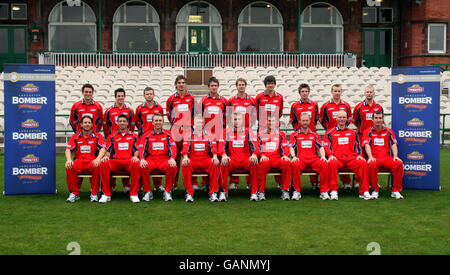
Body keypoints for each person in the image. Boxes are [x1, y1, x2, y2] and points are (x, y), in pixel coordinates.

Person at [324, 111, 372, 200]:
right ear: (336, 118)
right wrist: (330, 155)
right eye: (340, 117)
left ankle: (364, 191)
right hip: (337, 159)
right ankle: (333, 190)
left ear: (347, 119)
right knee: (331, 162)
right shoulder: (330, 132)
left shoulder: (352, 132)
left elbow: (357, 145)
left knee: (363, 162)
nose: (342, 119)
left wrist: (359, 155)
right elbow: (326, 146)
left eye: (343, 117)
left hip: (350, 159)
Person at [69, 84, 104, 190]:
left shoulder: (98, 106)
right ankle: (76, 188)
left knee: (95, 163)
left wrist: (95, 132)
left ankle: (95, 188)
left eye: (90, 92)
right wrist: (78, 132)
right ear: (82, 93)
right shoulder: (76, 106)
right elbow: (72, 121)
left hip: (93, 139)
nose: (88, 94)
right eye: (86, 92)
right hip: (80, 138)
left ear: (92, 93)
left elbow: (100, 121)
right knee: (78, 161)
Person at [362, 111, 404, 199]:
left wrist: (395, 156)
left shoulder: (389, 131)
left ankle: (395, 190)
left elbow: (393, 144)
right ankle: (375, 190)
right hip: (374, 157)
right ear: (372, 119)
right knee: (371, 164)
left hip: (386, 157)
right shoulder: (367, 132)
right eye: (376, 118)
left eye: (380, 118)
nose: (378, 120)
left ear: (383, 119)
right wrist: (370, 157)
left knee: (398, 163)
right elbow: (367, 145)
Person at [99, 114, 141, 203]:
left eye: (124, 121)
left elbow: (136, 149)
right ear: (117, 123)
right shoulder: (112, 136)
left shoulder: (134, 135)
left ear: (128, 123)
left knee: (136, 163)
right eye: (120, 121)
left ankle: (134, 194)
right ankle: (106, 194)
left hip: (129, 160)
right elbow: (109, 150)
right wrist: (106, 157)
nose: (122, 123)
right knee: (103, 163)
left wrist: (136, 156)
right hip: (116, 161)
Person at [219, 112, 260, 201]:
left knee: (255, 162)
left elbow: (255, 145)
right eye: (235, 119)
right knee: (223, 162)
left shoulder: (248, 131)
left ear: (242, 121)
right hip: (232, 160)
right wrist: (224, 155)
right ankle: (223, 192)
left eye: (239, 119)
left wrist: (254, 154)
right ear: (231, 121)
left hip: (245, 160)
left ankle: (254, 192)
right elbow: (221, 146)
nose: (237, 121)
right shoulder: (226, 132)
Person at [65, 116, 106, 202]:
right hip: (79, 161)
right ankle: (74, 193)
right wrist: (69, 160)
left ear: (92, 125)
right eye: (85, 123)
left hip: (92, 160)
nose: (87, 124)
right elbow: (68, 149)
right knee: (69, 166)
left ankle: (94, 193)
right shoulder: (75, 137)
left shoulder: (98, 136)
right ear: (81, 124)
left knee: (97, 165)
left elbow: (103, 148)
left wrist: (98, 159)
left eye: (89, 123)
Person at [320, 84, 353, 189]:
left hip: (343, 134)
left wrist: (343, 129)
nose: (337, 93)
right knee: (330, 160)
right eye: (335, 91)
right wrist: (328, 129)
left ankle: (346, 182)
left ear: (341, 92)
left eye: (339, 91)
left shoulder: (346, 105)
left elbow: (349, 119)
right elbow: (321, 119)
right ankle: (330, 184)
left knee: (345, 156)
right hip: (330, 136)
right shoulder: (326, 105)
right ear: (331, 92)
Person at [289, 113, 330, 200]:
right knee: (295, 164)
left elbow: (320, 147)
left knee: (324, 164)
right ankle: (296, 191)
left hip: (313, 159)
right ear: (299, 121)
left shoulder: (315, 135)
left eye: (307, 120)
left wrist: (323, 156)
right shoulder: (295, 135)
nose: (305, 122)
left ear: (310, 121)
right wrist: (293, 156)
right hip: (301, 159)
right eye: (303, 120)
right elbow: (291, 147)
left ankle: (324, 191)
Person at [139, 113, 178, 202]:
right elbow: (142, 148)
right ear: (152, 122)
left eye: (160, 120)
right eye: (156, 120)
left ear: (163, 122)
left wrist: (172, 157)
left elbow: (173, 147)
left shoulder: (168, 134)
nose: (158, 122)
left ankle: (167, 191)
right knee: (142, 165)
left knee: (173, 166)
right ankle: (147, 191)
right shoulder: (146, 135)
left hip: (164, 159)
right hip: (151, 159)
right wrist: (142, 159)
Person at [197, 77, 227, 190]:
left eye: (215, 85)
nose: (214, 87)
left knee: (219, 157)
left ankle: (220, 181)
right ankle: (205, 182)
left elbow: (226, 117)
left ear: (218, 87)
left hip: (219, 133)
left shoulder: (224, 100)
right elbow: (200, 117)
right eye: (212, 86)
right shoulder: (204, 101)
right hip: (207, 134)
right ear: (208, 87)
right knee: (208, 156)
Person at [181, 115, 220, 202]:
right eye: (197, 122)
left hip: (205, 159)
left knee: (215, 163)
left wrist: (214, 156)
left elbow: (214, 147)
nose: (199, 124)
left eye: (201, 122)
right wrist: (186, 157)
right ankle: (189, 193)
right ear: (194, 123)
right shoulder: (188, 135)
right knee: (185, 164)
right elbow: (185, 148)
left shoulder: (210, 135)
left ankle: (213, 193)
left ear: (204, 124)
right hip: (193, 160)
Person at [103, 88, 135, 193]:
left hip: (126, 140)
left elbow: (132, 125)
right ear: (115, 97)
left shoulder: (130, 110)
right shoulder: (109, 111)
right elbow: (105, 126)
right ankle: (111, 185)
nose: (120, 98)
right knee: (111, 161)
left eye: (122, 96)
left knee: (126, 159)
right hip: (113, 141)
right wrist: (110, 136)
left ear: (125, 97)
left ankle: (126, 185)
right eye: (118, 96)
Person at [166, 75, 195, 189]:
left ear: (186, 84)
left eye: (183, 82)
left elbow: (194, 113)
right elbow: (169, 115)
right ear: (176, 85)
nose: (181, 84)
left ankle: (193, 183)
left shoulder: (191, 98)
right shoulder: (171, 99)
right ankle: (174, 183)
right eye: (179, 83)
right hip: (176, 131)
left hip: (188, 130)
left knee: (191, 157)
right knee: (175, 157)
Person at [227, 78, 257, 190]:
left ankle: (249, 182)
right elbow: (229, 115)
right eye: (239, 84)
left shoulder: (251, 101)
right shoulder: (231, 101)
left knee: (248, 155)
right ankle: (234, 182)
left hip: (246, 132)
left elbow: (254, 116)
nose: (241, 86)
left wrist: (248, 126)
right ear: (236, 86)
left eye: (243, 84)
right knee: (234, 154)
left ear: (245, 86)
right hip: (234, 131)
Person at [289, 83, 321, 189]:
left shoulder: (314, 104)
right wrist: (297, 131)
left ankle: (314, 183)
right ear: (299, 93)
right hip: (300, 136)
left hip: (311, 135)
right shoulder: (295, 105)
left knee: (313, 157)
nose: (304, 93)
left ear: (309, 92)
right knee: (299, 159)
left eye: (306, 91)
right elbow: (293, 120)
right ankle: (296, 186)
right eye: (302, 91)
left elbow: (316, 118)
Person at [255, 75, 284, 188]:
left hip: (275, 127)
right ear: (265, 85)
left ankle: (280, 182)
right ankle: (258, 182)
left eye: (272, 83)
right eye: (268, 83)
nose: (270, 85)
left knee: (276, 153)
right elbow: (256, 112)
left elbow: (280, 112)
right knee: (261, 154)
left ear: (274, 84)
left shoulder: (279, 97)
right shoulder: (259, 97)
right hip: (262, 128)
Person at [135, 87, 164, 191]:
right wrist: (144, 132)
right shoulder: (139, 108)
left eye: (151, 94)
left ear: (154, 95)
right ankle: (141, 184)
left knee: (157, 158)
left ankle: (157, 184)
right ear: (144, 95)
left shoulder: (159, 107)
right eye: (147, 94)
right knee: (142, 160)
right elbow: (138, 122)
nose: (149, 96)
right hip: (144, 137)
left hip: (156, 136)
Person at [257, 113, 291, 201]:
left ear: (276, 122)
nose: (271, 123)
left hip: (277, 158)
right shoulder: (260, 134)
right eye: (269, 121)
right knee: (263, 163)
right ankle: (261, 191)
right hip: (266, 158)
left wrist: (285, 155)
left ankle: (285, 190)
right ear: (265, 122)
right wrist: (262, 155)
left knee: (286, 162)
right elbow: (257, 147)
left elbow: (285, 146)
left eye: (273, 121)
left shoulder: (281, 134)